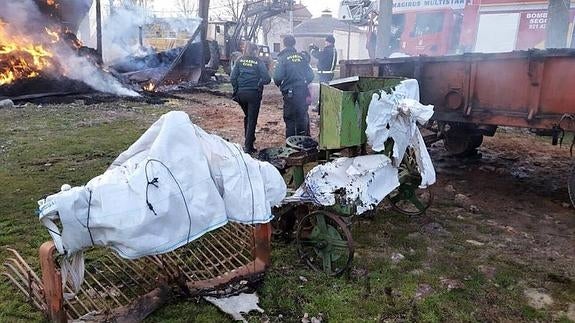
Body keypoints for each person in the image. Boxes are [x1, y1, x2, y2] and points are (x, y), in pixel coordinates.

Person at [230, 42, 271, 154]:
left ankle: (249, 140)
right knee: (251, 119)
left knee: (247, 117)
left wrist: (236, 90)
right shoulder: (258, 62)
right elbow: (267, 79)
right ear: (254, 51)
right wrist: (259, 83)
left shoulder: (239, 60)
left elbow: (233, 78)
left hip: (241, 94)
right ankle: (248, 147)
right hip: (253, 94)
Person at [273, 35, 315, 138]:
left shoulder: (282, 58)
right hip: (302, 92)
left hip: (290, 94)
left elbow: (277, 77)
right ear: (294, 44)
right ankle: (302, 144)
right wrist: (304, 83)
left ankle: (291, 145)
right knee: (301, 117)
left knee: (290, 119)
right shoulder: (302, 57)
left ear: (284, 44)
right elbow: (311, 75)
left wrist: (281, 85)